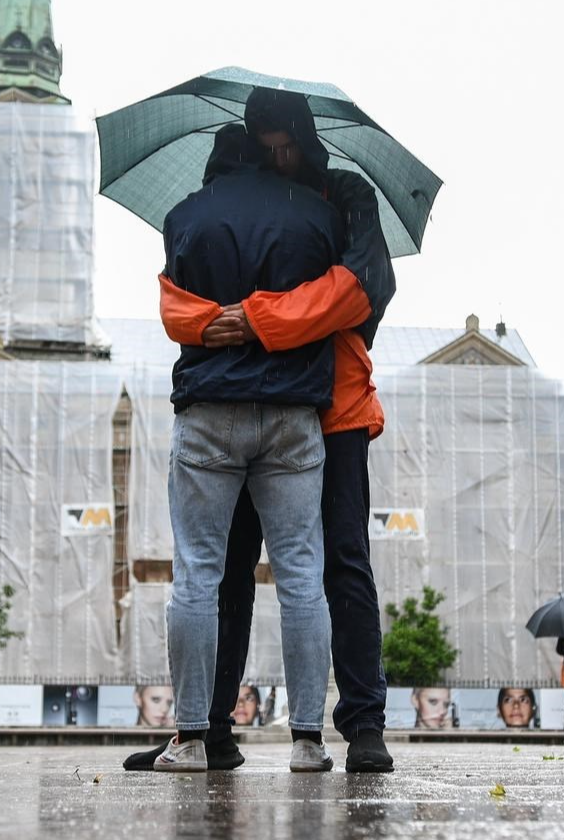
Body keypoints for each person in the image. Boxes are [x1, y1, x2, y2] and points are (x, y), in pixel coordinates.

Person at [127, 86, 398, 775]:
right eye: (267, 148)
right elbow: (187, 301)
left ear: (308, 142)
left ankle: (363, 724)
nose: (279, 160)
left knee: (341, 561)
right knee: (229, 573)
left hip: (330, 402)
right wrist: (231, 320)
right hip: (278, 400)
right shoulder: (276, 209)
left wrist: (256, 320)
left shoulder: (344, 196)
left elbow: (366, 287)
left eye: (288, 147)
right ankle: (208, 728)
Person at [150, 124, 340, 773]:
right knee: (301, 576)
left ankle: (194, 738)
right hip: (293, 414)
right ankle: (309, 741)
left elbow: (177, 308)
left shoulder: (185, 217)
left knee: (197, 574)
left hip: (209, 412)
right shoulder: (316, 214)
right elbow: (337, 304)